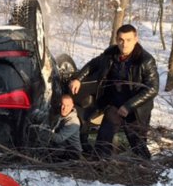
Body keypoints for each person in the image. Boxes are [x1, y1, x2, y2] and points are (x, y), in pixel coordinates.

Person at [68, 24, 159, 160]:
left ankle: (144, 167)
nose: (124, 44)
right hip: (115, 103)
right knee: (104, 136)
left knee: (137, 142)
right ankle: (99, 165)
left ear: (136, 39)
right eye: (121, 40)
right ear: (117, 39)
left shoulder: (145, 60)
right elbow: (93, 64)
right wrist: (78, 79)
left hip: (136, 108)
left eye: (128, 40)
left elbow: (152, 88)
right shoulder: (111, 53)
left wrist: (128, 106)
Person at [32, 94, 83, 160]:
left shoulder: (73, 122)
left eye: (68, 106)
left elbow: (59, 138)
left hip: (72, 152)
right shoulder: (59, 115)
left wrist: (41, 132)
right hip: (61, 148)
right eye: (62, 105)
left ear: (72, 106)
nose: (64, 108)